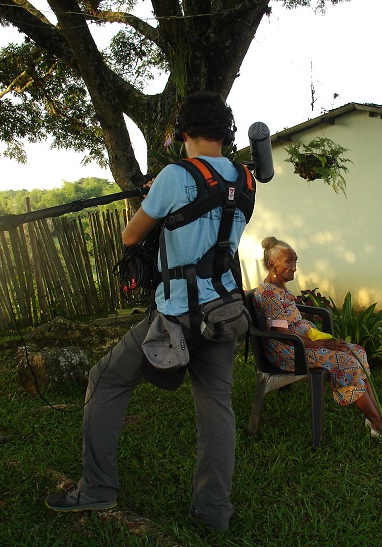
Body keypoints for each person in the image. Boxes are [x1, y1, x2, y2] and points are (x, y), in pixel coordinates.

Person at [45, 91, 251, 531]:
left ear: (183, 133)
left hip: (176, 316)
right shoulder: (245, 179)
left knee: (105, 378)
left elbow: (130, 235)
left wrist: (153, 197)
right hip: (225, 312)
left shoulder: (176, 177)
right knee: (217, 407)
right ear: (226, 132)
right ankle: (213, 513)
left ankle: (97, 489)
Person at [252, 236, 382, 441]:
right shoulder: (269, 294)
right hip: (288, 351)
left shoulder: (280, 288)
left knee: (358, 352)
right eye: (289, 262)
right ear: (272, 263)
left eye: (295, 262)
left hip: (299, 344)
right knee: (346, 361)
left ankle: (376, 416)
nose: (294, 267)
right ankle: (379, 426)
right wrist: (322, 344)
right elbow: (283, 334)